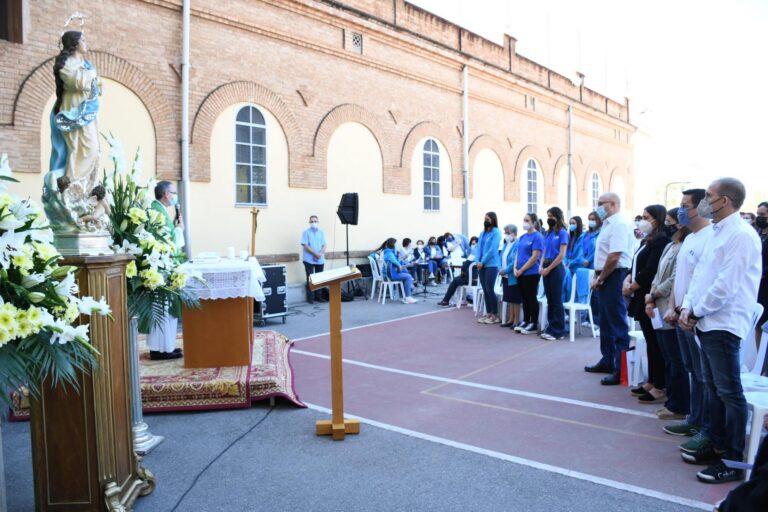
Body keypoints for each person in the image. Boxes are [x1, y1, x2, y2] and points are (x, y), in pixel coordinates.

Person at [679, 177, 761, 483]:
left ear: (724, 200)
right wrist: (688, 308)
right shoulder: (717, 231)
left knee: (729, 392)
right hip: (706, 320)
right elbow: (701, 274)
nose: (704, 202)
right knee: (713, 388)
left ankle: (732, 458)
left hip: (723, 323)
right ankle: (715, 443)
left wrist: (696, 310)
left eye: (709, 197)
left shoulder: (741, 235)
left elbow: (726, 285)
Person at [661, 189, 713, 446]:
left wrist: (687, 310)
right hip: (680, 312)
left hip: (695, 316)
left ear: (701, 208)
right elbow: (679, 279)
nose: (680, 210)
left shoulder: (709, 238)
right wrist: (672, 306)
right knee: (692, 369)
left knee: (704, 373)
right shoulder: (690, 238)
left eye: (684, 205)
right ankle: (694, 418)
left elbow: (702, 281)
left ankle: (704, 423)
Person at [43, 30, 103, 231]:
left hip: (88, 112)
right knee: (81, 149)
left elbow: (94, 86)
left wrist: (93, 78)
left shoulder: (85, 65)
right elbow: (77, 83)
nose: (87, 43)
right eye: (83, 40)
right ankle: (71, 188)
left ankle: (85, 190)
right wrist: (91, 75)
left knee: (94, 150)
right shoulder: (66, 64)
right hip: (74, 113)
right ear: (74, 44)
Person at [645, 208, 689, 421]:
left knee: (675, 359)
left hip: (669, 306)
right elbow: (658, 275)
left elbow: (675, 278)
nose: (669, 226)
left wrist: (655, 293)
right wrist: (651, 295)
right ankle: (672, 399)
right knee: (667, 357)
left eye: (672, 222)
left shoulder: (684, 248)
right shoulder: (671, 246)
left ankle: (678, 404)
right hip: (658, 305)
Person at [585, 192, 634, 385]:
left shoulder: (620, 224)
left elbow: (614, 256)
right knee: (605, 321)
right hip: (604, 275)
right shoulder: (607, 224)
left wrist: (602, 277)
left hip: (614, 275)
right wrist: (597, 276)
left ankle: (619, 367)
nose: (597, 207)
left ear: (613, 204)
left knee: (616, 322)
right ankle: (607, 359)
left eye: (600, 204)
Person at [624, 205, 671, 401]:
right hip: (640, 296)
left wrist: (633, 286)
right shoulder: (647, 239)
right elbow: (636, 264)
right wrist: (627, 279)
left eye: (646, 217)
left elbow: (650, 270)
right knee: (651, 342)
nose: (642, 221)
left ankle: (660, 384)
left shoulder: (661, 241)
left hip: (649, 297)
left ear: (657, 219)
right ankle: (652, 380)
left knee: (655, 342)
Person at [147, 181, 185, 360]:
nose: (175, 195)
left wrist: (176, 227)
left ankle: (165, 347)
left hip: (164, 267)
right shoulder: (157, 211)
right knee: (162, 309)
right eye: (174, 192)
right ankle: (160, 350)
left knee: (165, 309)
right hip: (162, 268)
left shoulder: (159, 210)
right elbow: (167, 243)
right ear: (166, 194)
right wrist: (178, 229)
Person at [540, 207, 569, 340]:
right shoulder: (548, 232)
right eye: (548, 216)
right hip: (546, 265)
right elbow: (544, 250)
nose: (549, 218)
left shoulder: (563, 232)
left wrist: (549, 268)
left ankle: (559, 330)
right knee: (550, 299)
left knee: (557, 300)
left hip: (556, 268)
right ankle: (551, 327)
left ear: (557, 217)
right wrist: (541, 266)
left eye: (551, 216)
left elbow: (561, 255)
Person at [514, 213, 544, 334]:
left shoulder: (538, 237)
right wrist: (515, 268)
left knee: (531, 297)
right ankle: (525, 320)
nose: (525, 222)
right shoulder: (522, 237)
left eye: (527, 220)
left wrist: (522, 269)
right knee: (524, 298)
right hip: (520, 273)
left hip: (531, 272)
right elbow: (517, 254)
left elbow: (535, 256)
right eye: (524, 220)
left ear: (533, 222)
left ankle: (533, 322)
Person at [476, 212, 502, 324]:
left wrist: (482, 261)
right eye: (485, 218)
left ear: (493, 220)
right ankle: (489, 313)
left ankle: (495, 315)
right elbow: (478, 248)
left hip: (491, 264)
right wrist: (477, 261)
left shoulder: (496, 233)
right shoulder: (482, 233)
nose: (486, 220)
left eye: (488, 219)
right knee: (485, 289)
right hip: (481, 264)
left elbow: (492, 250)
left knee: (489, 288)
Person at [300, 215, 327, 304]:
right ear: (309, 222)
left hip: (320, 259)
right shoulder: (306, 232)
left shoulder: (321, 233)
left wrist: (319, 254)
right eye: (311, 221)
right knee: (310, 278)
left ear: (318, 222)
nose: (313, 223)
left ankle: (319, 296)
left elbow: (324, 245)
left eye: (315, 221)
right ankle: (311, 298)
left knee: (319, 278)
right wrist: (315, 254)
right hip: (309, 259)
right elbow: (305, 245)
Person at [498, 224, 521, 328]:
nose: (506, 235)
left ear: (514, 234)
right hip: (504, 275)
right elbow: (500, 256)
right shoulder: (506, 244)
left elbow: (513, 262)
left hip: (512, 275)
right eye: (505, 233)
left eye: (508, 233)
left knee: (515, 299)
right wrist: (499, 268)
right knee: (509, 298)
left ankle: (516, 320)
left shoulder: (517, 244)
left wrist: (505, 270)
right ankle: (510, 319)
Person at [382, 238, 418, 304]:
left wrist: (402, 260)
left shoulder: (389, 252)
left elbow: (396, 262)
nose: (397, 245)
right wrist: (401, 266)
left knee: (405, 272)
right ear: (393, 245)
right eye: (396, 244)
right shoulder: (389, 253)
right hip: (391, 275)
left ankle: (405, 295)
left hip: (390, 273)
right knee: (408, 276)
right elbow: (395, 262)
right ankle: (408, 297)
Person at [582, 211, 602, 327]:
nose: (591, 221)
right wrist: (582, 259)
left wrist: (588, 260)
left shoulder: (600, 234)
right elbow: (579, 249)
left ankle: (596, 320)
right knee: (587, 293)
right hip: (583, 266)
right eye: (589, 219)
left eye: (593, 219)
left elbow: (597, 251)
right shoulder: (585, 234)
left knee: (596, 294)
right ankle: (589, 318)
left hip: (594, 266)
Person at [563, 216, 585, 304]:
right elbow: (565, 252)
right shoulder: (569, 237)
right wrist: (565, 262)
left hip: (576, 268)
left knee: (574, 291)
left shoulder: (582, 237)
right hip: (568, 267)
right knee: (566, 288)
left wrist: (570, 263)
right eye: (570, 223)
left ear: (578, 224)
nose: (571, 225)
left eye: (573, 223)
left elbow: (580, 255)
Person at [755, 201, 768, 350]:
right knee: (758, 324)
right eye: (758, 214)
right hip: (758, 287)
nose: (760, 218)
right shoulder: (758, 234)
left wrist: (762, 272)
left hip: (765, 283)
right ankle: (761, 362)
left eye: (762, 215)